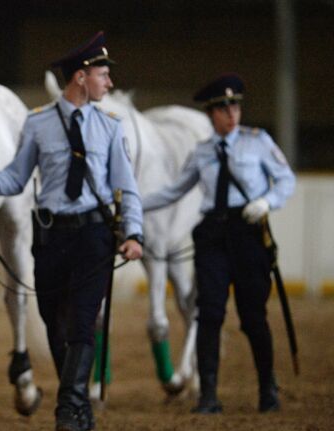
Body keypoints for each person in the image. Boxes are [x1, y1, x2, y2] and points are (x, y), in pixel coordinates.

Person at [0, 31, 143, 431]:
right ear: (80, 77)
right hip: (51, 238)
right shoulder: (38, 124)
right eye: (103, 75)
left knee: (82, 321)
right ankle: (79, 408)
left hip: (94, 236)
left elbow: (127, 187)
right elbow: (15, 179)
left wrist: (133, 233)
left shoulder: (110, 127)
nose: (108, 83)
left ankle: (67, 408)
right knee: (52, 321)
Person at [143, 73, 295, 414]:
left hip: (249, 233)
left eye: (235, 107)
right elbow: (175, 190)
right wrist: (134, 206)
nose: (232, 114)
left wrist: (268, 201)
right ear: (212, 114)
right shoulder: (202, 152)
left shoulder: (258, 142)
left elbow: (285, 179)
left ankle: (267, 387)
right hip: (212, 235)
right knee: (208, 314)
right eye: (224, 109)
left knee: (253, 316)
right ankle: (208, 393)